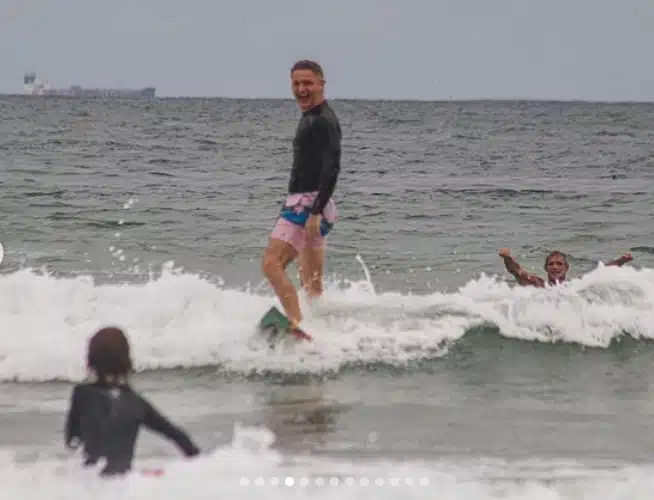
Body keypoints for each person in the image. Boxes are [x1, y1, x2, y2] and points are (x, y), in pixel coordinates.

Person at [261, 59, 342, 333]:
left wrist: (314, 212)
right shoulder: (312, 117)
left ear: (321, 84)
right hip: (318, 205)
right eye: (296, 84)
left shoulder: (323, 121)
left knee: (272, 264)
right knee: (312, 285)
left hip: (308, 206)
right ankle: (321, 331)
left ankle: (296, 326)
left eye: (308, 83)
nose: (301, 89)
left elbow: (332, 167)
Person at [64, 326, 200, 476]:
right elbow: (179, 437)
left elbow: (71, 441)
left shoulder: (82, 394)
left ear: (91, 361)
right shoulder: (136, 403)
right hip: (125, 486)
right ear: (127, 362)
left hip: (92, 484)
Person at [498, 248, 634, 288]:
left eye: (559, 264)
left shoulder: (574, 286)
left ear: (566, 268)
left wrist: (621, 261)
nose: (555, 267)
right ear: (545, 268)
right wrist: (507, 258)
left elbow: (601, 273)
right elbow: (516, 271)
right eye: (551, 264)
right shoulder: (538, 283)